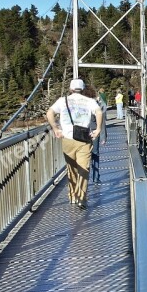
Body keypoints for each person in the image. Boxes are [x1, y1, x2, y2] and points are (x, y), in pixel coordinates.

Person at [46, 79, 103, 210]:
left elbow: (49, 113)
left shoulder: (62, 100)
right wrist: (98, 129)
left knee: (71, 169)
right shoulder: (90, 101)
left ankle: (72, 196)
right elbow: (99, 112)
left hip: (67, 139)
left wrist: (55, 128)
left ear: (71, 89)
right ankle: (81, 198)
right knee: (84, 169)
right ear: (82, 89)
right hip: (84, 139)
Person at [90, 88, 108, 183]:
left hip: (82, 133)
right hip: (94, 132)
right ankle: (95, 177)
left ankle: (82, 179)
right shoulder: (97, 106)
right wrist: (103, 137)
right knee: (95, 154)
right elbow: (102, 123)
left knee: (82, 155)